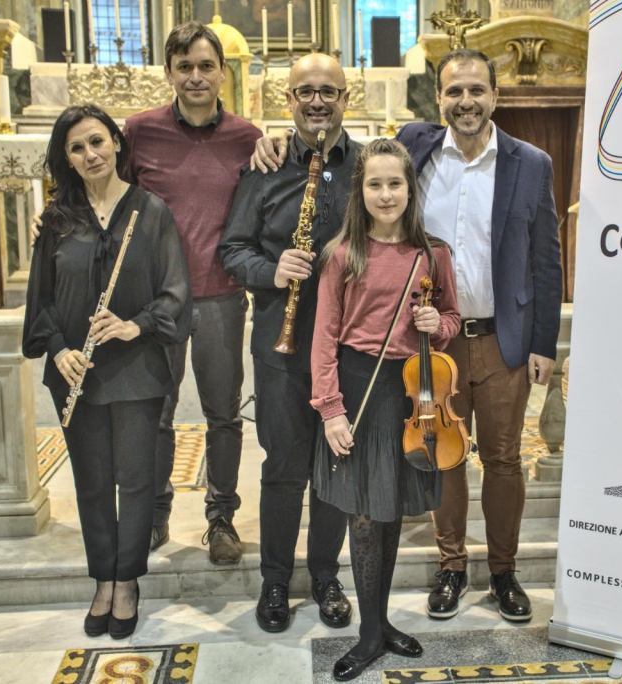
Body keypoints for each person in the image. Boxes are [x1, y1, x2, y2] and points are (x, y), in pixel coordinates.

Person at [251, 48, 562, 623]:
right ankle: (451, 566)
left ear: (496, 95)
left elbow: (546, 257)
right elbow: (348, 151)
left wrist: (544, 341)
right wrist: (271, 139)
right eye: (454, 91)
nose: (466, 101)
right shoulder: (417, 147)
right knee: (442, 454)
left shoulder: (531, 163)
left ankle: (503, 571)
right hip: (432, 345)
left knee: (503, 458)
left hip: (502, 335)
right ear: (438, 98)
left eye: (477, 90)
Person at [22, 104, 192, 639]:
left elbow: (175, 292)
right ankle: (103, 579)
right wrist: (57, 350)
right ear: (67, 159)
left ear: (116, 142)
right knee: (91, 482)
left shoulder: (151, 211)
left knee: (137, 481)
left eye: (97, 141)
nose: (90, 154)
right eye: (76, 148)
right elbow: (41, 300)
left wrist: (134, 325)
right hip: (76, 372)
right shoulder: (56, 220)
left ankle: (128, 579)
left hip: (136, 368)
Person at [310, 138, 460, 681]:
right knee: (366, 514)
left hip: (412, 391)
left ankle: (380, 621)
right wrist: (330, 409)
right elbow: (324, 338)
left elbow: (451, 318)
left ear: (410, 189)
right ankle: (370, 633)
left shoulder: (433, 254)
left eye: (395, 183)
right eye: (375, 184)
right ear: (361, 190)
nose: (386, 193)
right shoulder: (342, 254)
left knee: (391, 507)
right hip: (358, 387)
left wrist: (437, 326)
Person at [220, 53, 357, 634]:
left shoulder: (368, 167)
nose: (317, 101)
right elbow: (232, 250)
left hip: (348, 347)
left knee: (336, 463)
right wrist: (272, 271)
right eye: (306, 92)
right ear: (289, 100)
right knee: (282, 466)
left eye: (328, 91)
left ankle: (325, 576)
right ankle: (275, 580)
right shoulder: (264, 168)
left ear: (346, 98)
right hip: (282, 345)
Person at [121, 22, 261, 563]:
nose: (196, 76)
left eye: (206, 66)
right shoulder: (139, 131)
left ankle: (221, 518)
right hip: (156, 301)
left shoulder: (247, 138)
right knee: (156, 412)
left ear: (223, 72)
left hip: (222, 295)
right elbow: (111, 200)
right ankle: (155, 513)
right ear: (169, 73)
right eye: (185, 67)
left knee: (222, 413)